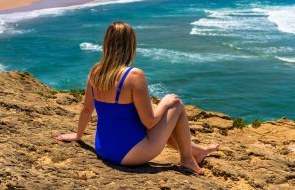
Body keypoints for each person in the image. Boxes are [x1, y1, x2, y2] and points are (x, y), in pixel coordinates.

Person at [53, 22, 219, 174]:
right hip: (131, 154)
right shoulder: (134, 75)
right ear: (131, 44)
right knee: (176, 105)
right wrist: (165, 102)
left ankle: (198, 151)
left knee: (162, 120)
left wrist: (78, 135)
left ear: (107, 43)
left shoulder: (95, 72)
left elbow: (87, 109)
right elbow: (150, 122)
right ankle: (187, 160)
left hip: (103, 149)